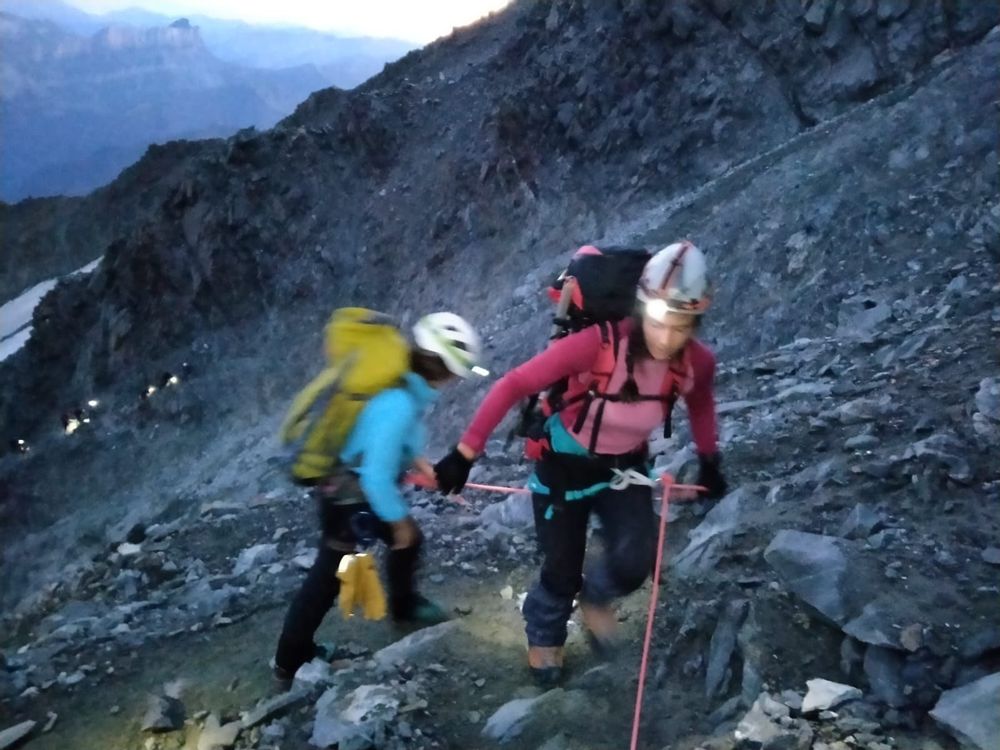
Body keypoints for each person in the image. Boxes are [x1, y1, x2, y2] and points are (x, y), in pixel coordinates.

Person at [434, 241, 727, 685]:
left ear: (695, 321)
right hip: (562, 470)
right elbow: (514, 384)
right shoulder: (598, 345)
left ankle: (596, 597)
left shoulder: (695, 362)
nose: (668, 338)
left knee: (635, 559)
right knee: (559, 569)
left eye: (682, 326)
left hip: (623, 468)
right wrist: (464, 454)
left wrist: (709, 458)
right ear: (642, 307)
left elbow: (701, 403)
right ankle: (545, 636)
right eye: (660, 322)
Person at [273, 311, 484, 684]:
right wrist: (398, 521)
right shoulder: (399, 402)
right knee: (330, 576)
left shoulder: (401, 385)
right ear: (443, 370)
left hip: (348, 490)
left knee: (409, 542)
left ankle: (403, 606)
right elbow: (375, 476)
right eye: (456, 373)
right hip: (350, 498)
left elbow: (385, 440)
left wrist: (419, 463)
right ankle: (290, 658)